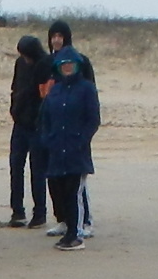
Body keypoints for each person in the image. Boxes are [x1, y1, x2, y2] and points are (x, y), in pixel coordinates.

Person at [36, 41, 99, 249]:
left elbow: (93, 119)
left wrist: (81, 140)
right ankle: (67, 230)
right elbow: (44, 118)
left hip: (76, 150)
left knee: (74, 192)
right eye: (63, 64)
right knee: (60, 192)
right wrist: (47, 140)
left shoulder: (86, 89)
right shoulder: (55, 90)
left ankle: (76, 233)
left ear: (78, 65)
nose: (67, 67)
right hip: (56, 150)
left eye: (71, 64)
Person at [5, 31, 51, 227]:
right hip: (20, 122)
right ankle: (17, 211)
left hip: (37, 125)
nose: (24, 58)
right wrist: (14, 108)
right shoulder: (20, 64)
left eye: (26, 54)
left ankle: (39, 213)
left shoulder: (46, 65)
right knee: (16, 166)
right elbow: (15, 88)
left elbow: (46, 96)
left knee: (37, 170)